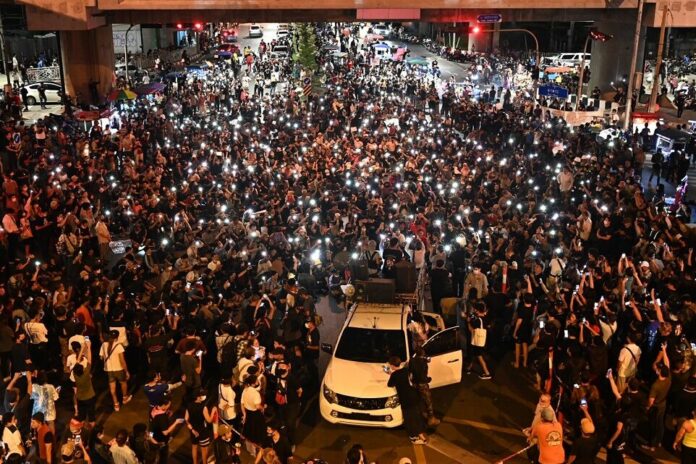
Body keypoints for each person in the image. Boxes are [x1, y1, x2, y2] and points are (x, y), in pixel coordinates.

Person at [387, 356, 427, 444]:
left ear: (393, 366)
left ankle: (414, 438)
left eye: (390, 365)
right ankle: (421, 435)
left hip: (406, 400)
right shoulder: (406, 370)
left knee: (409, 419)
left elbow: (390, 384)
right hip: (414, 396)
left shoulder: (394, 375)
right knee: (417, 417)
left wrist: (391, 374)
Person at [99, 329, 132, 411]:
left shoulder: (104, 345)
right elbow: (122, 361)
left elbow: (101, 357)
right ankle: (124, 398)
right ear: (117, 337)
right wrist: (127, 371)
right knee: (123, 383)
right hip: (119, 369)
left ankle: (116, 404)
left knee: (112, 388)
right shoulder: (119, 346)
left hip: (109, 370)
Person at [409, 346, 440, 427]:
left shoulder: (412, 361)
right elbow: (423, 376)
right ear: (422, 353)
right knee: (428, 401)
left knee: (418, 401)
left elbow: (410, 371)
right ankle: (431, 419)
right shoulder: (423, 363)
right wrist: (428, 379)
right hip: (422, 384)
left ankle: (419, 417)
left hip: (415, 384)